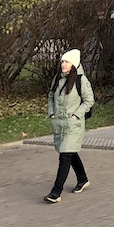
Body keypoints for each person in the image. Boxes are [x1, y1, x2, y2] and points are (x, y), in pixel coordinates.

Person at [44, 48, 94, 203]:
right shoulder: (57, 78)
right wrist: (52, 113)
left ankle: (56, 192)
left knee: (65, 156)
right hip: (59, 124)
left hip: (73, 125)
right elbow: (51, 95)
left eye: (66, 62)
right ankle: (83, 179)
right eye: (62, 61)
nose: (63, 64)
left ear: (73, 64)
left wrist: (76, 115)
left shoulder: (81, 80)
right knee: (70, 152)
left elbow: (89, 100)